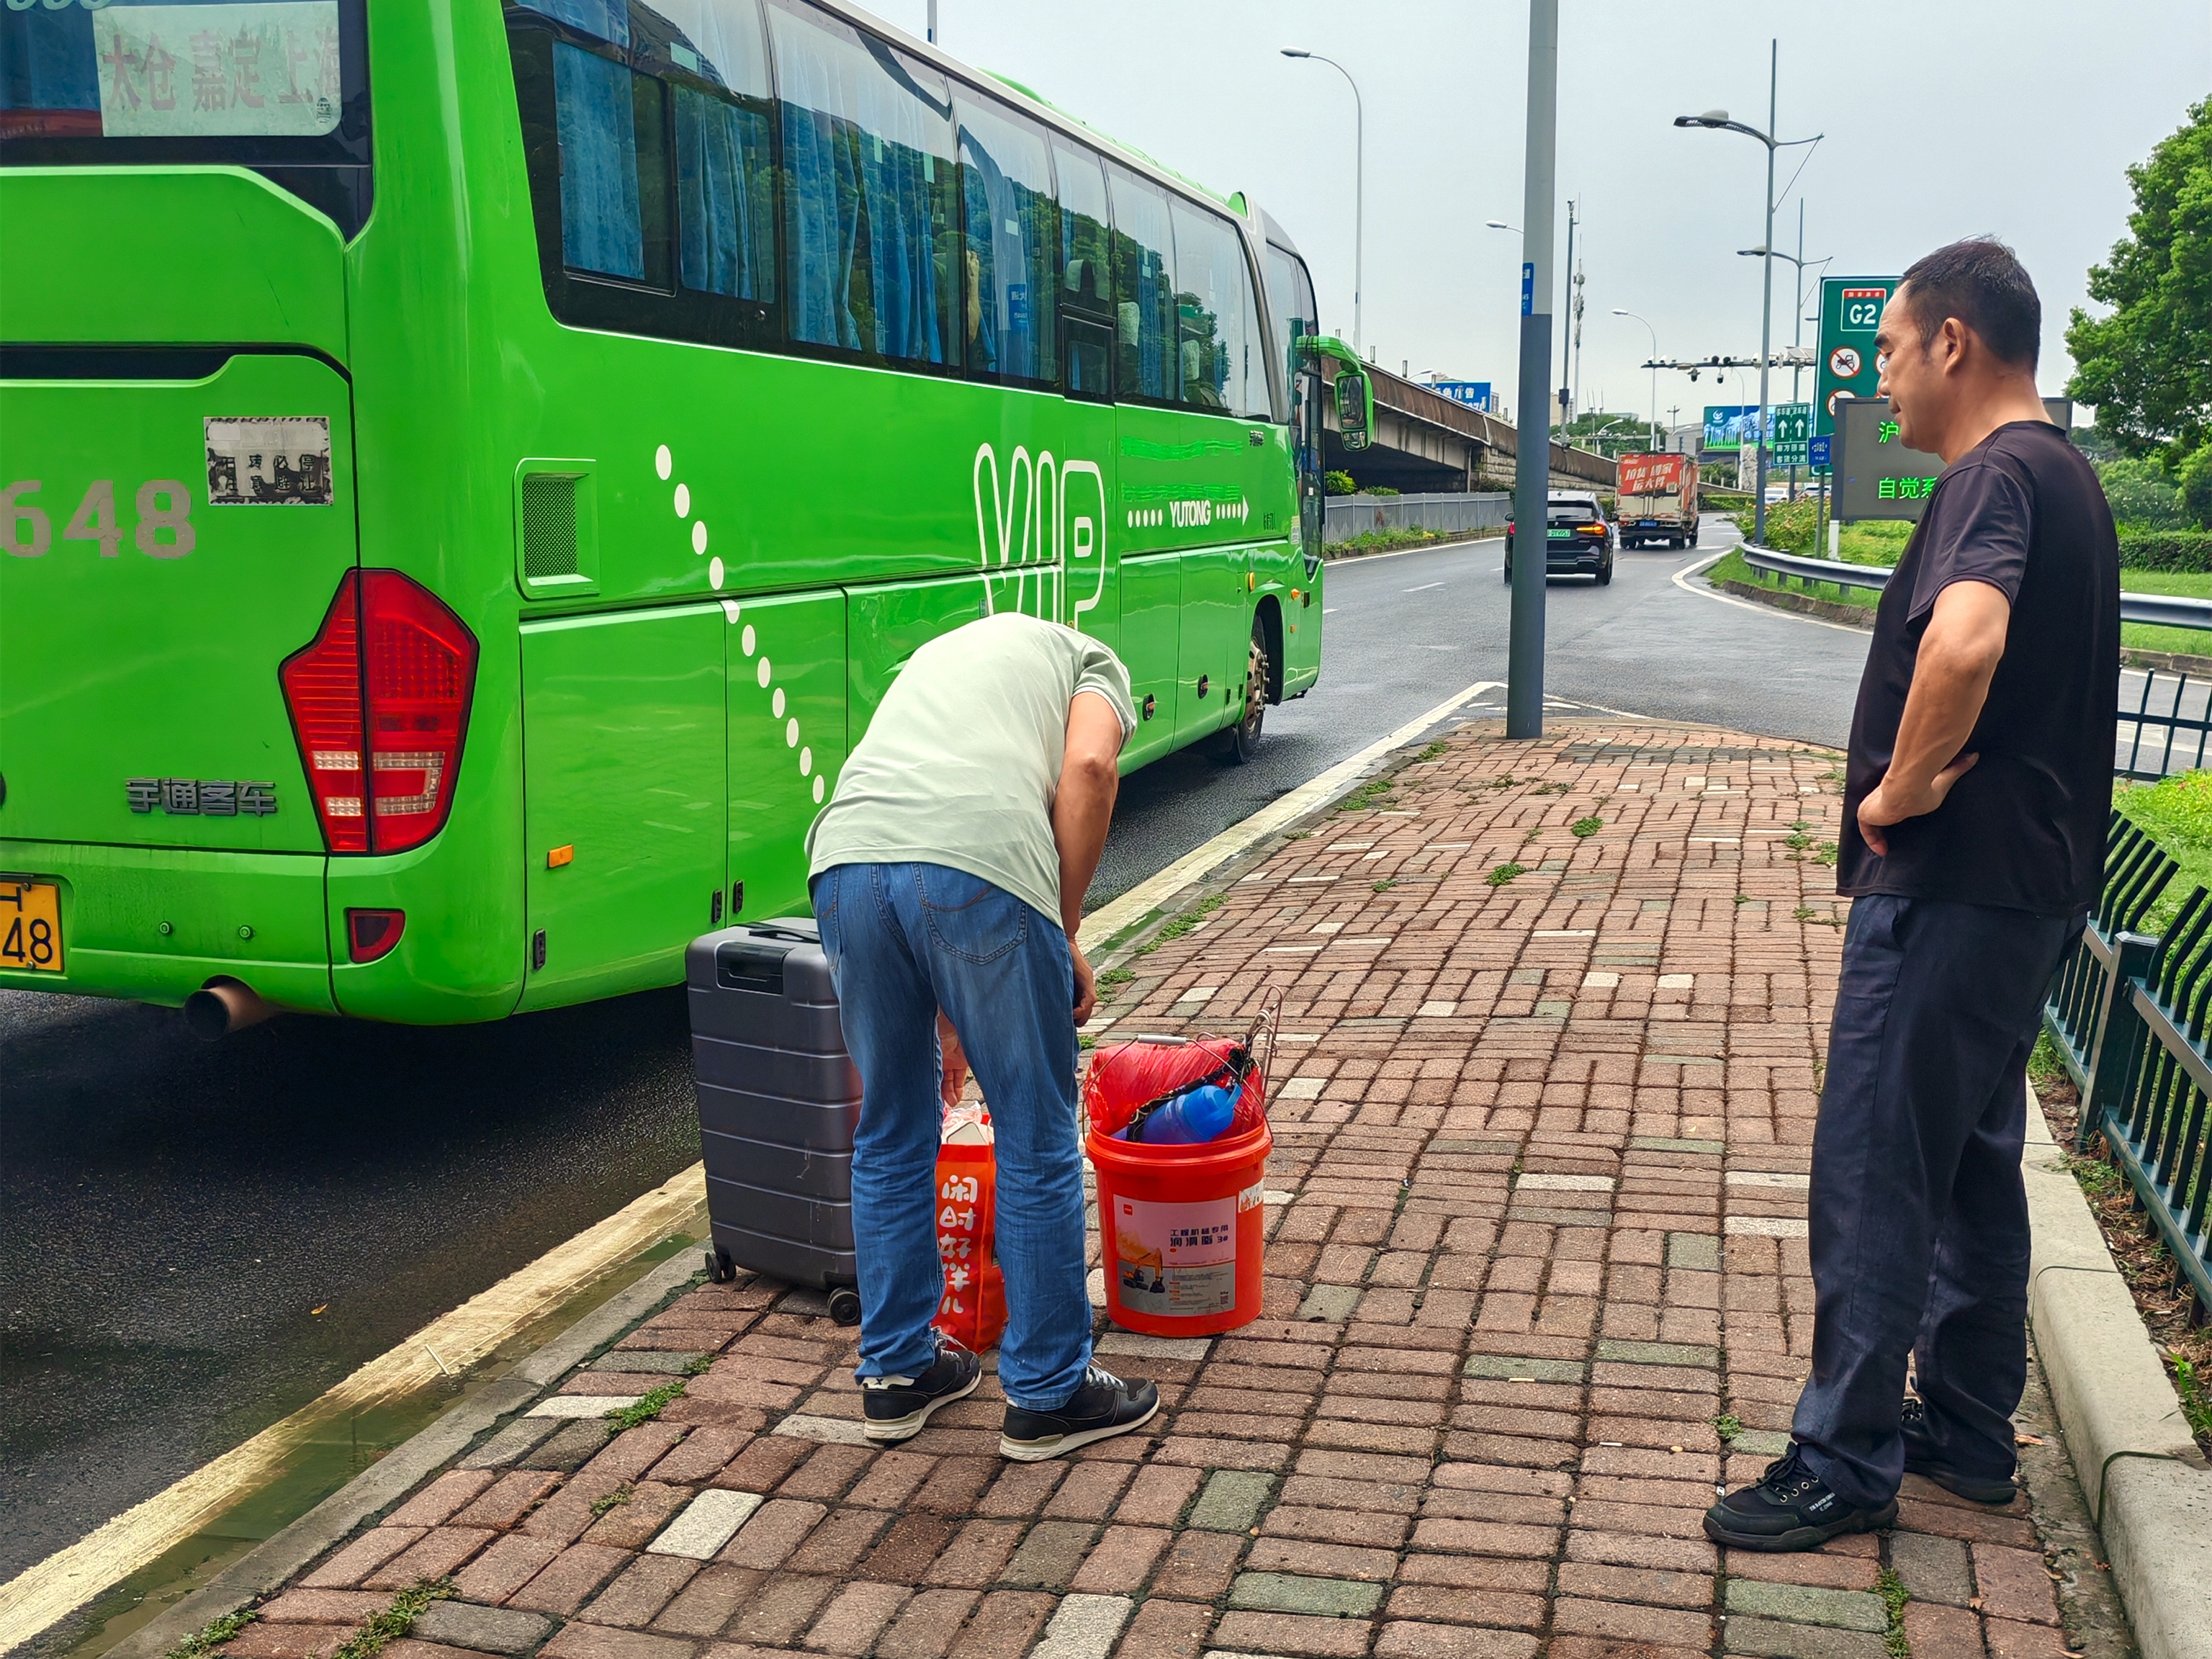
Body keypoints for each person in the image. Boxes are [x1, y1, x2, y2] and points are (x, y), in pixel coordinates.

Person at [1705, 240, 2118, 1550]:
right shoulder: (2068, 475)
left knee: (1879, 1161)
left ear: (1952, 342)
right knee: (1974, 1160)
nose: (1877, 378)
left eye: (1888, 348)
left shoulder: (1990, 475)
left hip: (1950, 881)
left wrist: (1895, 788)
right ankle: (1966, 1425)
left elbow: (1968, 632)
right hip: (2033, 887)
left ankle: (1841, 1451)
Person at [805, 609, 1158, 1462]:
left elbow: (910, 871)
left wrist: (954, 1022)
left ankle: (898, 1372)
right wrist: (1064, 927)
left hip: (844, 863)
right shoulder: (1091, 660)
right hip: (981, 863)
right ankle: (1047, 1392)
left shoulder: (939, 658)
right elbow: (1088, 767)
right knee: (1036, 1137)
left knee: (891, 1128)